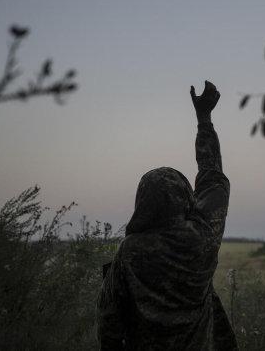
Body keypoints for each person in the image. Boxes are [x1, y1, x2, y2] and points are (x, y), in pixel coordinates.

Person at [96, 81, 239, 350]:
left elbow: (109, 323)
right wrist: (204, 119)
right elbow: (213, 180)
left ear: (142, 204)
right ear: (186, 198)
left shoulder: (129, 253)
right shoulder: (203, 237)